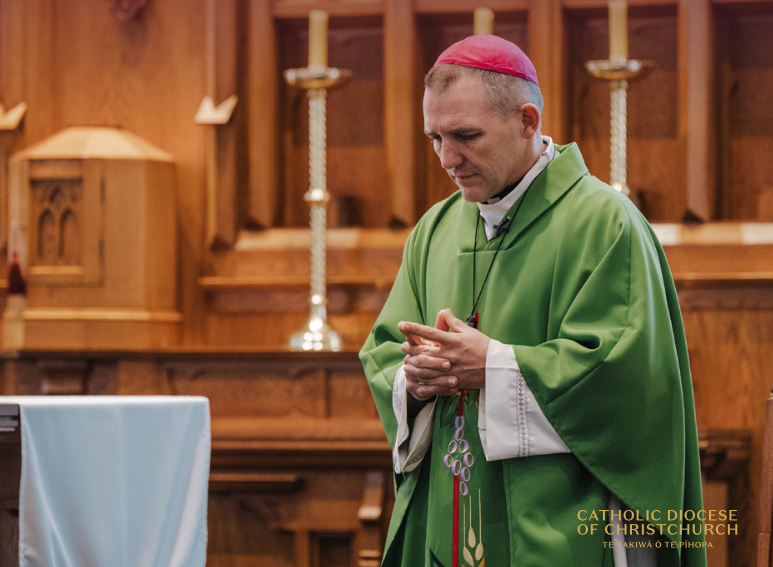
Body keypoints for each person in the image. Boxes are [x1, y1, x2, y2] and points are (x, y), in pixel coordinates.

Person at [359, 35, 707, 567]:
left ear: (527, 121)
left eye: (466, 136)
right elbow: (385, 351)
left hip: (560, 528)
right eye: (435, 138)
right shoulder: (434, 229)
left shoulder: (603, 222)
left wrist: (494, 367)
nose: (448, 159)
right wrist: (416, 378)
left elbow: (626, 377)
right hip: (448, 517)